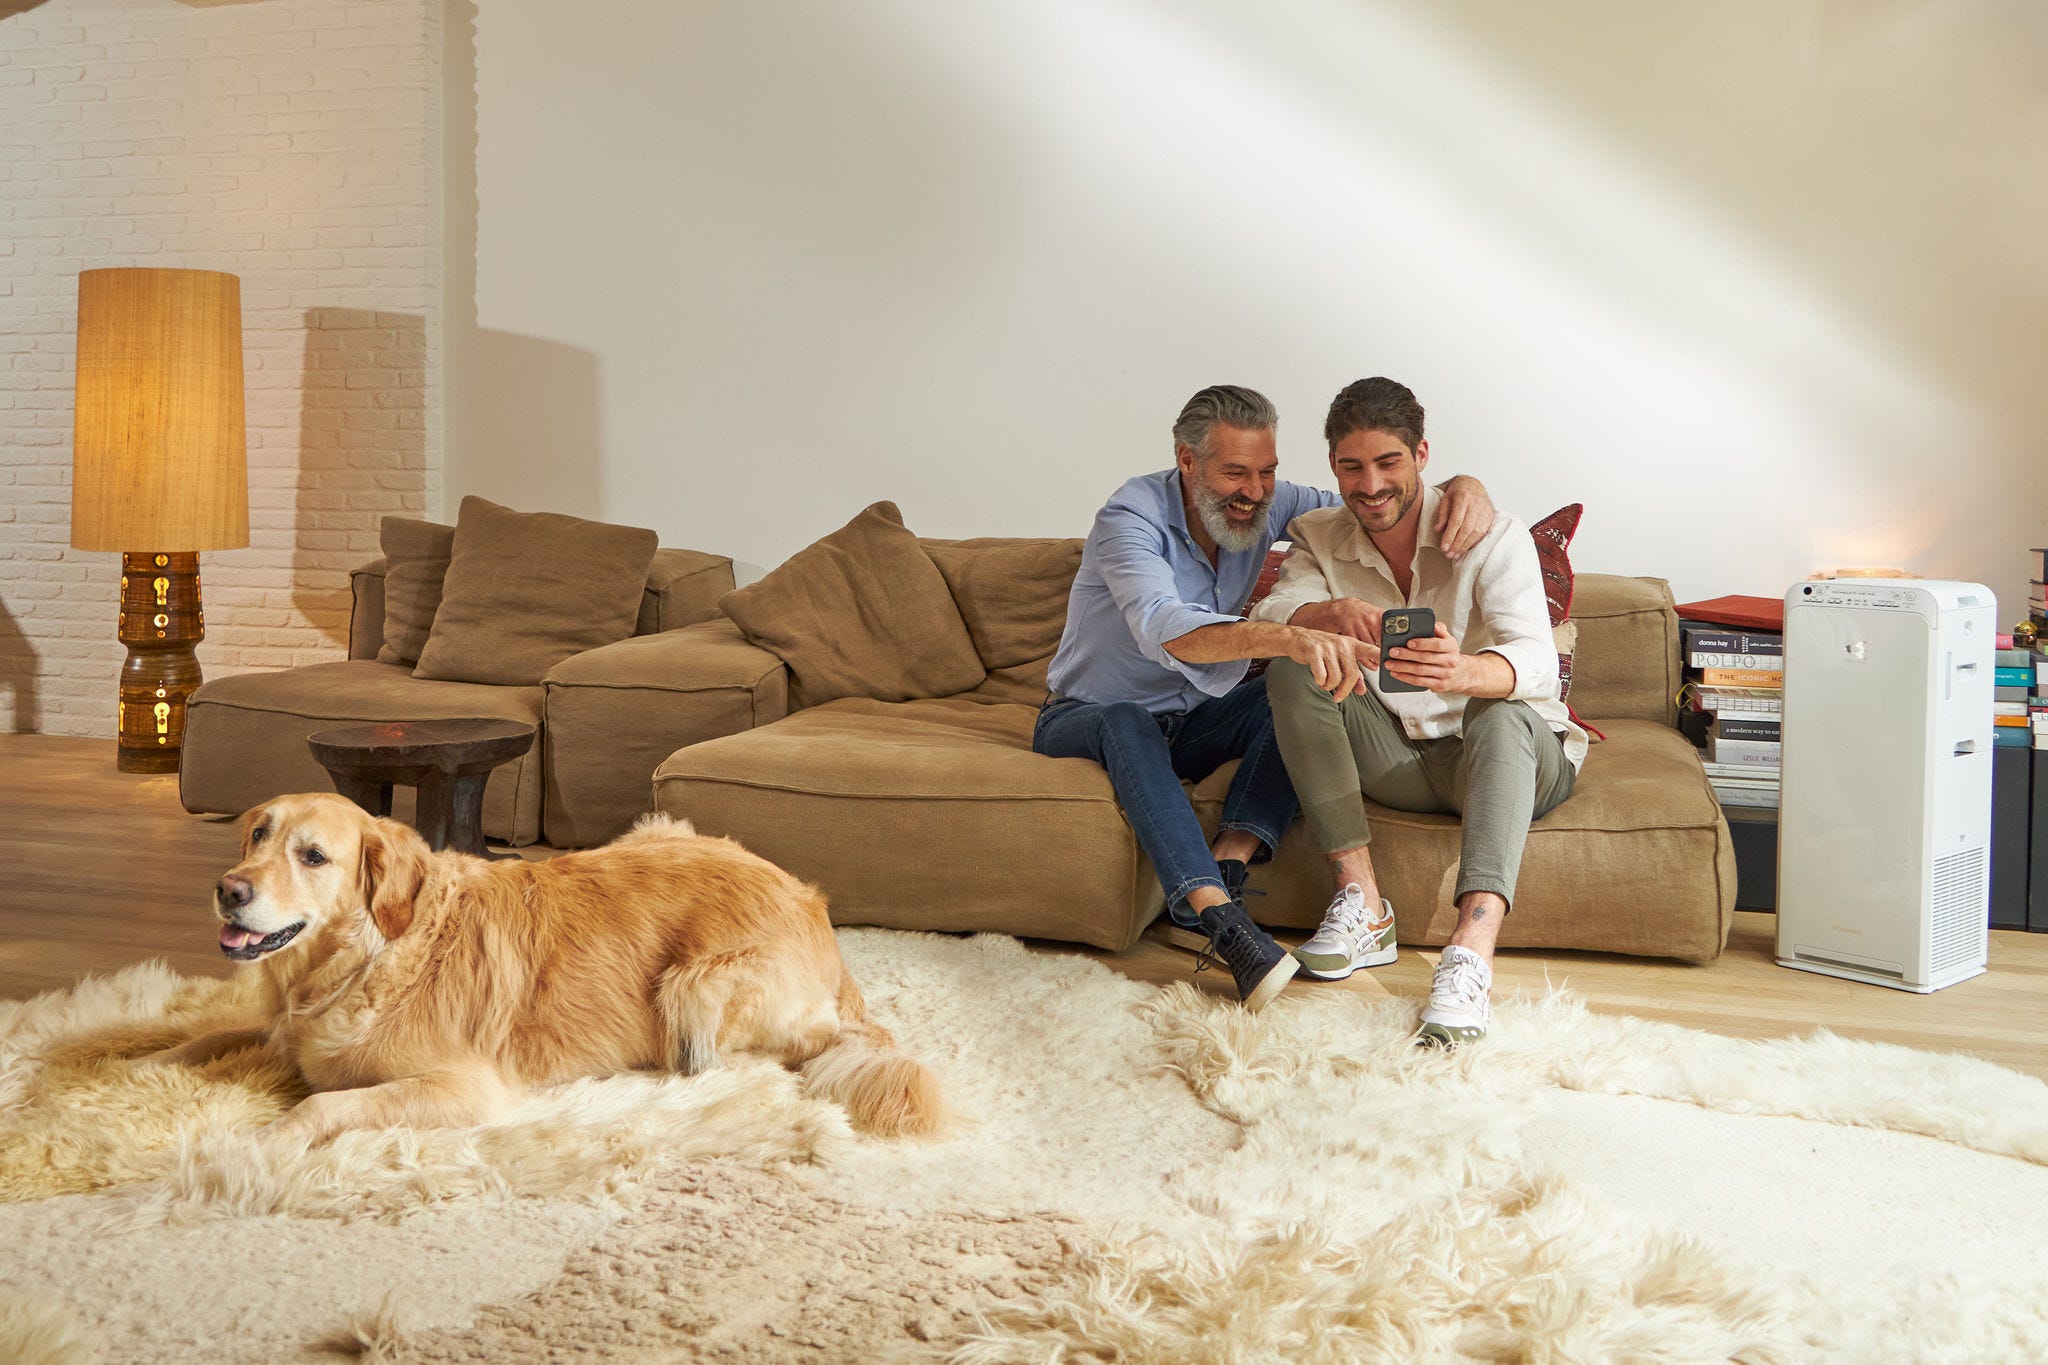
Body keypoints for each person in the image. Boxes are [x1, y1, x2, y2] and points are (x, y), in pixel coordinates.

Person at [1035, 384, 1496, 1011]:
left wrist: (1465, 484)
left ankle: (1230, 861)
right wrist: (1294, 633)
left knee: (1301, 687)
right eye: (1234, 473)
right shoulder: (1131, 517)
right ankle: (1222, 921)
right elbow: (1164, 628)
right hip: (1084, 717)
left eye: (1267, 471)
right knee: (1129, 719)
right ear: (1187, 461)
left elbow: (1376, 497)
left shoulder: (1268, 504)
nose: (1253, 491)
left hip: (1196, 721)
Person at [1252, 377, 1586, 1044]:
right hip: (1397, 754)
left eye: (1388, 462)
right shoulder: (1316, 535)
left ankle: (1471, 951)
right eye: (1352, 466)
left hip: (1507, 756)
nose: (1370, 484)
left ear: (1422, 454)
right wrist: (1327, 613)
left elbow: (1539, 659)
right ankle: (1364, 905)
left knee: (1500, 709)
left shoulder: (1492, 535)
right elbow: (1267, 618)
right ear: (1333, 468)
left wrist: (1464, 670)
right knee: (1297, 660)